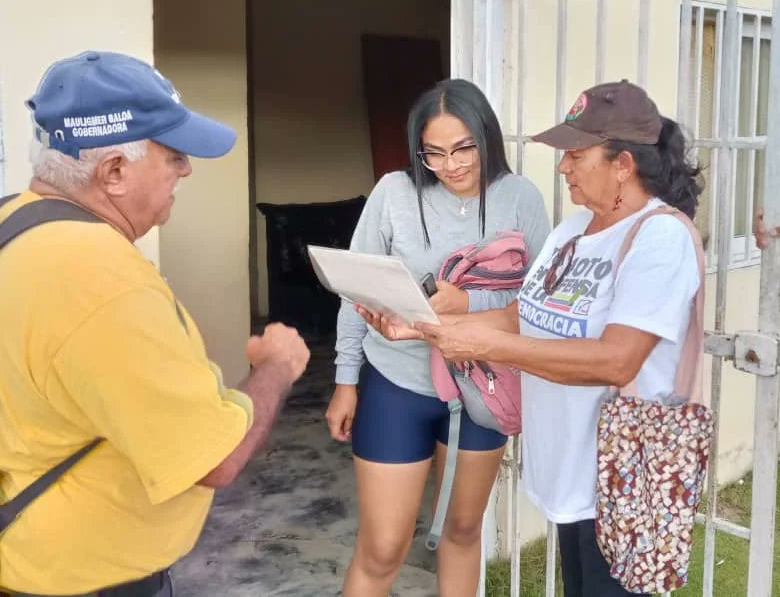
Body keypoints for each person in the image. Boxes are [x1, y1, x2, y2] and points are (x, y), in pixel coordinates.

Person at [362, 80, 704, 597]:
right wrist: (423, 327)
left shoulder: (661, 237)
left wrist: (481, 348)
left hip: (623, 479)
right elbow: (519, 316)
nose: (563, 167)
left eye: (576, 154)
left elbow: (617, 361)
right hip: (572, 473)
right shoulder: (574, 232)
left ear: (623, 164)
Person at [0, 51, 310, 597]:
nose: (186, 169)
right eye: (173, 155)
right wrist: (276, 368)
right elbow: (214, 460)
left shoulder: (13, 222)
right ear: (114, 171)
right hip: (81, 581)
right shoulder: (103, 282)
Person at [325, 79, 549, 597]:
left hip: (482, 387)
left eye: (464, 148)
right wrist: (345, 381)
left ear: (486, 137)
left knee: (463, 531)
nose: (452, 165)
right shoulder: (394, 193)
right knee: (382, 547)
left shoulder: (520, 198)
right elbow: (353, 288)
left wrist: (466, 303)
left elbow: (540, 301)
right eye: (435, 153)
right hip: (395, 383)